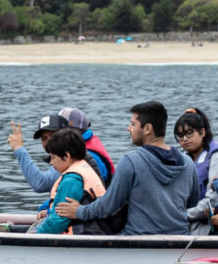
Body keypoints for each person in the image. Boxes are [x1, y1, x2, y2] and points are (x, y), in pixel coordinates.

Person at [54, 101, 198, 236]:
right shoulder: (188, 163)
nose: (128, 128)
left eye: (132, 124)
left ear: (147, 129)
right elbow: (193, 204)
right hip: (180, 240)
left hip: (137, 242)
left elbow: (107, 206)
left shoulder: (130, 162)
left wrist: (79, 211)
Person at [21, 128, 109, 234]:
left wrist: (37, 234)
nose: (51, 163)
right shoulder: (84, 167)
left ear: (67, 156)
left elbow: (58, 221)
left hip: (78, 236)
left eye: (53, 157)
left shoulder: (71, 180)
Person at [30, 107, 115, 185]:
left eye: (59, 131)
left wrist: (20, 149)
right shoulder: (81, 147)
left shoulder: (84, 155)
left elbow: (42, 184)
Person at [174, 108, 218, 197]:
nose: (185, 139)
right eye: (181, 135)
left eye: (189, 133)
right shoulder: (182, 159)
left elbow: (215, 198)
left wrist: (188, 212)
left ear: (202, 132)